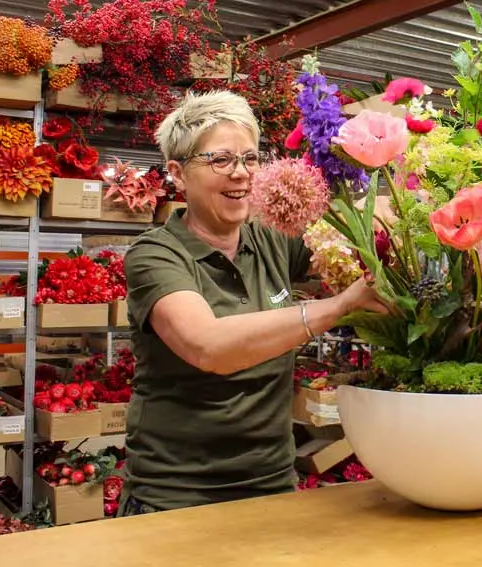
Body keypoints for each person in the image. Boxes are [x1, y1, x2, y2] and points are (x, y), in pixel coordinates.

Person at [119, 90, 390, 515]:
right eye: (220, 160)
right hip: (175, 496)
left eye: (250, 159)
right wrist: (336, 306)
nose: (241, 174)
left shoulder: (271, 237)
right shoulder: (156, 254)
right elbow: (209, 346)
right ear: (177, 173)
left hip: (271, 485)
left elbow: (358, 237)